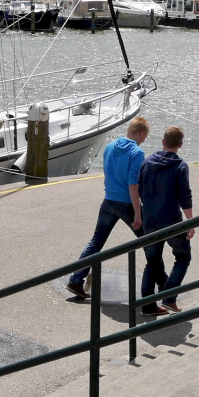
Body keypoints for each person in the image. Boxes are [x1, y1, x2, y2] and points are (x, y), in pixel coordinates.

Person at [66, 117, 150, 298]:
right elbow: (133, 185)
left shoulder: (109, 147)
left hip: (108, 201)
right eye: (145, 137)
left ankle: (76, 280)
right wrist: (138, 214)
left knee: (95, 243)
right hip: (127, 203)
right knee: (149, 241)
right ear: (141, 133)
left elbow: (109, 172)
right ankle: (162, 287)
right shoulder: (137, 152)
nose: (144, 140)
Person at [138, 126, 194, 315]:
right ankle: (169, 297)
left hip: (150, 220)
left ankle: (147, 305)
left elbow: (139, 189)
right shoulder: (180, 166)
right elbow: (185, 196)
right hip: (171, 221)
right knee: (183, 257)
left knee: (152, 262)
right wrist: (190, 222)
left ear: (163, 142)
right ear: (180, 145)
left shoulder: (147, 163)